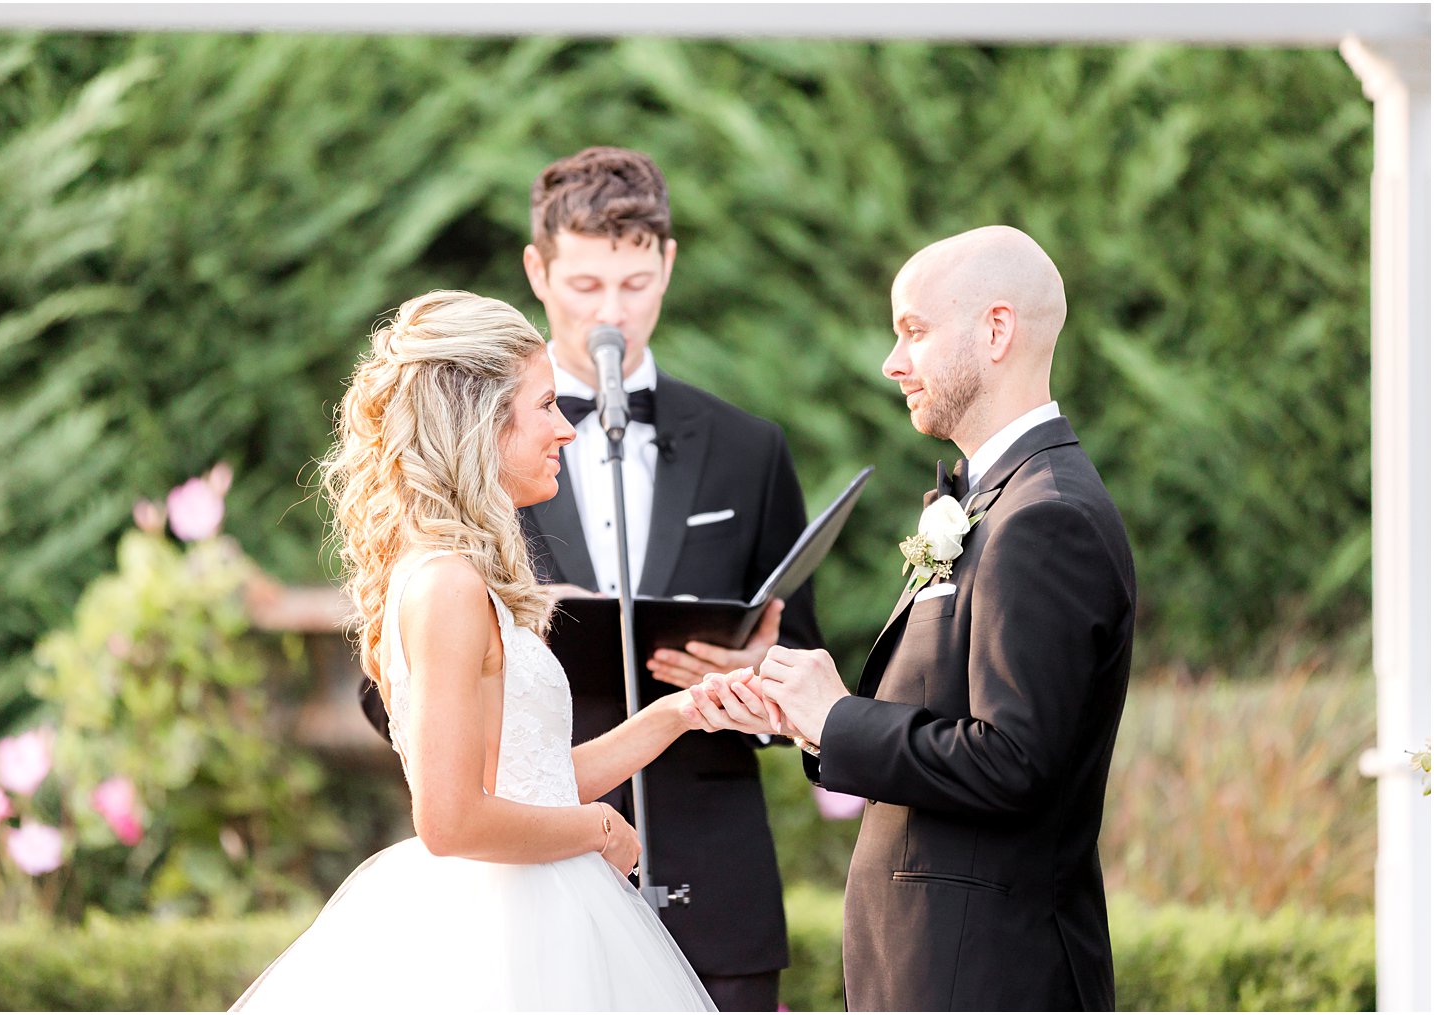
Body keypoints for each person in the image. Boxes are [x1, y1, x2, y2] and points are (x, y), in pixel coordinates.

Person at [687, 226, 1137, 1011]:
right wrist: (804, 713)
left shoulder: (1045, 517)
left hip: (990, 978)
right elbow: (951, 724)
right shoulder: (989, 502)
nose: (892, 363)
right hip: (933, 969)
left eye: (914, 332)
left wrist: (841, 719)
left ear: (997, 331)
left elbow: (1017, 763)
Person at [236, 290, 715, 1011]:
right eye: (546, 405)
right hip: (506, 930)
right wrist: (600, 828)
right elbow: (450, 818)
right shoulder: (446, 586)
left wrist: (680, 712)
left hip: (537, 905)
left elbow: (535, 781)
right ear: (483, 421)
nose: (566, 429)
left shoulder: (462, 577)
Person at [519, 146, 826, 1011]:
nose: (611, 314)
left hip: (714, 890)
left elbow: (799, 646)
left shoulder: (749, 449)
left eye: (635, 284)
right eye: (585, 287)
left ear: (669, 266)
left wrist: (758, 680)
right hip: (531, 884)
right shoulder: (473, 453)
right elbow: (387, 685)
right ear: (538, 271)